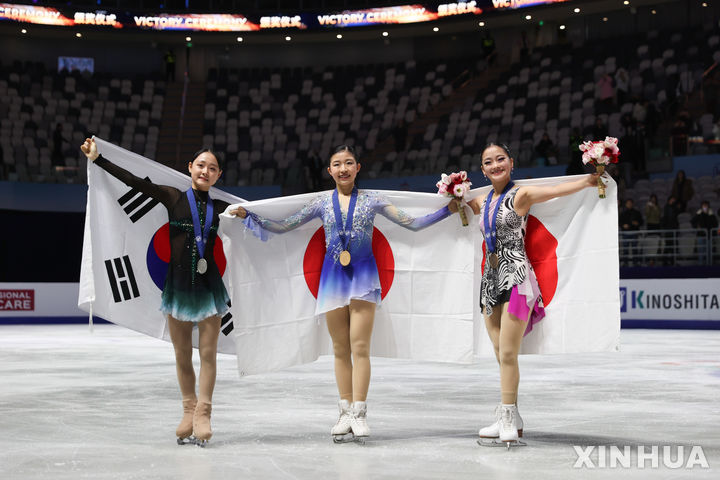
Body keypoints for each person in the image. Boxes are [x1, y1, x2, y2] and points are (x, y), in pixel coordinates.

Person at [230, 145, 457, 441]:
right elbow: (286, 226)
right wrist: (251, 215)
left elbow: (411, 223)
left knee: (360, 347)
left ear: (358, 167)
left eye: (349, 163)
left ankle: (360, 412)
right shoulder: (321, 203)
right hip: (333, 280)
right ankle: (344, 410)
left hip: (363, 278)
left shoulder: (373, 200)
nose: (343, 169)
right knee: (340, 350)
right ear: (329, 171)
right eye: (337, 164)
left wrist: (446, 211)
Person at [80, 138, 230, 447]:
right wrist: (98, 160)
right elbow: (134, 182)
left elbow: (258, 215)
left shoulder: (223, 209)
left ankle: (204, 412)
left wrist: (250, 215)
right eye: (200, 165)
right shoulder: (173, 197)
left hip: (208, 288)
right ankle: (188, 409)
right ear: (190, 168)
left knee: (209, 355)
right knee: (181, 354)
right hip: (177, 289)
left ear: (218, 175)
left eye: (212, 168)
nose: (205, 171)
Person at [466, 143, 599, 445]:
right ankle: (508, 415)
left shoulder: (521, 195)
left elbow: (557, 191)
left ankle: (509, 415)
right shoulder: (483, 200)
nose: (495, 165)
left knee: (509, 352)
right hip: (490, 281)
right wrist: (452, 198)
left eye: (500, 159)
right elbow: (460, 206)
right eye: (488, 162)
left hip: (516, 277)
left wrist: (589, 180)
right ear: (483, 169)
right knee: (500, 354)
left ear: (511, 163)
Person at [619, 199, 643, 265]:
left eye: (630, 203)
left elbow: (641, 222)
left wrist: (637, 223)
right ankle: (625, 263)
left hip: (634, 232)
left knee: (635, 249)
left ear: (632, 204)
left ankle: (635, 263)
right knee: (625, 250)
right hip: (625, 233)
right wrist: (623, 225)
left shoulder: (637, 213)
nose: (629, 204)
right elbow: (619, 222)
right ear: (626, 204)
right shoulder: (623, 213)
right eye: (628, 203)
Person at [661, 195, 681, 265]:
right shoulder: (667, 207)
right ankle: (665, 260)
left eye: (674, 200)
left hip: (674, 229)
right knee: (668, 245)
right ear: (669, 200)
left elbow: (677, 213)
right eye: (672, 200)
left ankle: (672, 261)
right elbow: (668, 218)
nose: (673, 201)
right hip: (668, 229)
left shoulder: (674, 207)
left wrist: (676, 207)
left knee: (674, 246)